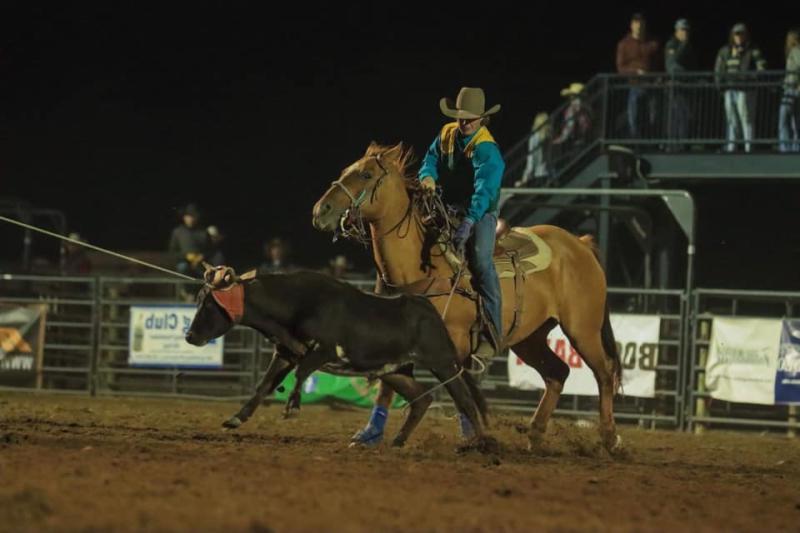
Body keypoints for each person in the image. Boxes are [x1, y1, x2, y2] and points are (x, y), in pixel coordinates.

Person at [418, 86, 505, 363]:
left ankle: (493, 332)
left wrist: (469, 220)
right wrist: (427, 177)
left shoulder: (486, 149)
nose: (465, 123)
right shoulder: (447, 134)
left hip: (481, 211)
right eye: (461, 117)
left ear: (481, 119)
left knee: (480, 260)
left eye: (470, 118)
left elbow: (485, 190)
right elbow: (430, 159)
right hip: (450, 205)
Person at [714, 22, 767, 153]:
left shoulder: (752, 50)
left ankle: (749, 147)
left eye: (741, 34)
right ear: (732, 35)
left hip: (745, 90)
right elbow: (718, 69)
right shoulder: (725, 50)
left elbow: (762, 68)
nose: (739, 37)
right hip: (729, 89)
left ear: (746, 35)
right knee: (731, 119)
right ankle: (731, 147)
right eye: (736, 34)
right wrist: (720, 85)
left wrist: (749, 79)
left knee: (746, 118)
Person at [616, 12, 660, 138]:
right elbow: (620, 68)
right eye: (636, 23)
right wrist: (636, 72)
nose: (639, 26)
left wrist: (658, 77)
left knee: (653, 116)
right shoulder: (624, 44)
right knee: (633, 114)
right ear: (631, 25)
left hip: (651, 85)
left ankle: (651, 140)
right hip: (634, 84)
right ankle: (634, 139)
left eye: (641, 23)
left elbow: (658, 64)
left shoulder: (652, 43)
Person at [665, 18, 697, 149]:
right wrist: (683, 45)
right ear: (676, 31)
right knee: (678, 117)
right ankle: (675, 146)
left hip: (687, 88)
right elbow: (673, 65)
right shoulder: (671, 44)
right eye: (682, 30)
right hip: (676, 87)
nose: (685, 33)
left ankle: (684, 144)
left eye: (687, 30)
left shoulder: (689, 46)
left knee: (685, 116)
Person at [168, 203, 209, 277]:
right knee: (183, 267)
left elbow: (209, 250)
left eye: (193, 216)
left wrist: (201, 257)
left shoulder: (203, 232)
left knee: (207, 270)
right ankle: (182, 288)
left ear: (197, 217)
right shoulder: (178, 232)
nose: (191, 219)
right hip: (183, 263)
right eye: (188, 216)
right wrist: (186, 256)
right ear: (184, 217)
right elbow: (173, 251)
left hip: (201, 263)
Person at [778, 28, 800, 152]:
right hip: (791, 87)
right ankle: (795, 147)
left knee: (785, 119)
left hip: (793, 89)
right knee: (795, 120)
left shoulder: (796, 51)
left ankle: (785, 147)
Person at [552, 83, 592, 148]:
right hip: (584, 137)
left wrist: (561, 139)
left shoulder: (574, 107)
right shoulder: (586, 106)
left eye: (571, 95)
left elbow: (569, 126)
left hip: (577, 139)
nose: (569, 98)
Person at [515, 112, 550, 187]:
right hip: (546, 173)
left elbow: (531, 158)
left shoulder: (535, 137)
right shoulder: (548, 137)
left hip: (537, 175)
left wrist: (525, 177)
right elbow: (549, 158)